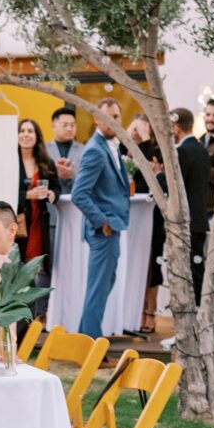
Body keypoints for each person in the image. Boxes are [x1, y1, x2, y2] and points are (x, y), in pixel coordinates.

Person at [72, 98, 130, 342]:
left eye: (117, 116)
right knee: (98, 288)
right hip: (103, 230)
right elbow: (79, 194)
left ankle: (85, 340)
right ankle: (91, 345)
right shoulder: (95, 149)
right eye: (109, 116)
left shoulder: (111, 146)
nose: (114, 121)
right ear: (97, 118)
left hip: (113, 226)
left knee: (104, 284)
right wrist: (102, 221)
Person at [123, 115, 164, 334]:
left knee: (151, 265)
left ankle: (149, 312)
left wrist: (147, 141)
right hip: (129, 215)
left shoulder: (155, 151)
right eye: (134, 129)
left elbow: (155, 176)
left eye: (141, 130)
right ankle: (131, 310)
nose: (137, 133)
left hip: (152, 214)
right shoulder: (123, 150)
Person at [171, 107, 210, 306]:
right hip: (200, 220)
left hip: (187, 223)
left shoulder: (183, 152)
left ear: (176, 127)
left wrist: (160, 174)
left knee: (187, 274)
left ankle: (190, 322)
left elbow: (176, 187)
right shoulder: (201, 149)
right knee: (197, 270)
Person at [16, 119, 60, 278]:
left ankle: (34, 303)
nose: (25, 135)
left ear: (37, 136)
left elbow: (56, 187)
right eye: (22, 131)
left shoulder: (46, 162)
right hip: (16, 223)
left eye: (30, 131)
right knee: (15, 271)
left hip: (38, 222)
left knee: (35, 272)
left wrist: (52, 194)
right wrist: (27, 195)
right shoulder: (10, 161)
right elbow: (1, 193)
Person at [46, 107, 84, 194]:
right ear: (53, 126)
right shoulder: (44, 149)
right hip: (51, 203)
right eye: (65, 125)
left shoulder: (84, 150)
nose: (69, 129)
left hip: (75, 201)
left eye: (72, 125)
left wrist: (71, 176)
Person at [199, 95, 214, 218]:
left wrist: (199, 161)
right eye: (208, 114)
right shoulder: (201, 140)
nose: (210, 119)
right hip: (199, 209)